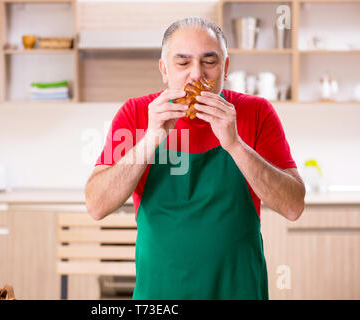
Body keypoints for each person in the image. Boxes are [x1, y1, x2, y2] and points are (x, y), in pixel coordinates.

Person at [85, 17, 305, 300]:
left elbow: (293, 207)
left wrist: (235, 145)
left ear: (225, 68)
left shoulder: (256, 113)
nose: (196, 75)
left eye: (209, 62)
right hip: (160, 293)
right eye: (183, 62)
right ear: (164, 69)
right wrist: (151, 138)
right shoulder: (136, 114)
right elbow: (96, 205)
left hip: (239, 289)